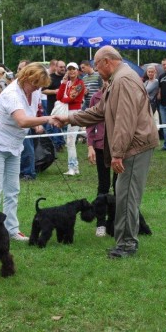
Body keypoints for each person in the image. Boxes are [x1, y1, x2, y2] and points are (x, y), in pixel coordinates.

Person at [52, 46, 159, 259]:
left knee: (126, 195)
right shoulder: (118, 80)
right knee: (123, 194)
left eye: (96, 65)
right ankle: (124, 241)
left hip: (134, 147)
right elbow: (100, 111)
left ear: (107, 62)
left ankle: (127, 245)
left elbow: (124, 120)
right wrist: (70, 119)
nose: (95, 70)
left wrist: (118, 153)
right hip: (133, 144)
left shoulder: (123, 81)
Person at [0, 62, 55, 241]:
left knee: (13, 190)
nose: (37, 88)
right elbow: (21, 120)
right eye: (35, 84)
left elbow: (30, 114)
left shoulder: (34, 91)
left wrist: (36, 123)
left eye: (40, 86)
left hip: (14, 146)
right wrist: (47, 119)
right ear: (27, 78)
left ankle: (11, 230)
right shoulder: (11, 94)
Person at [86, 87, 117, 237]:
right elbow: (90, 122)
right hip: (100, 146)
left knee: (119, 186)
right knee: (103, 185)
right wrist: (90, 145)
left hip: (119, 145)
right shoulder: (96, 97)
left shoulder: (121, 95)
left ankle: (118, 222)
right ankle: (101, 223)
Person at [57, 62, 86, 175]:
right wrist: (63, 84)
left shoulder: (80, 84)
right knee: (68, 141)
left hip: (74, 113)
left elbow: (70, 99)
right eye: (69, 69)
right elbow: (58, 96)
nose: (71, 71)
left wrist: (64, 98)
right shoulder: (67, 83)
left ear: (77, 71)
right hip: (65, 112)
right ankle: (74, 167)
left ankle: (73, 168)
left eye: (73, 69)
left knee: (70, 141)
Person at [43, 60, 66, 150]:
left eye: (64, 67)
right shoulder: (50, 78)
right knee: (51, 126)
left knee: (61, 125)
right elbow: (43, 90)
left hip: (64, 106)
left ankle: (59, 143)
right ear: (56, 67)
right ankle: (54, 144)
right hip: (52, 106)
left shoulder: (66, 77)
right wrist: (54, 91)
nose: (63, 69)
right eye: (61, 67)